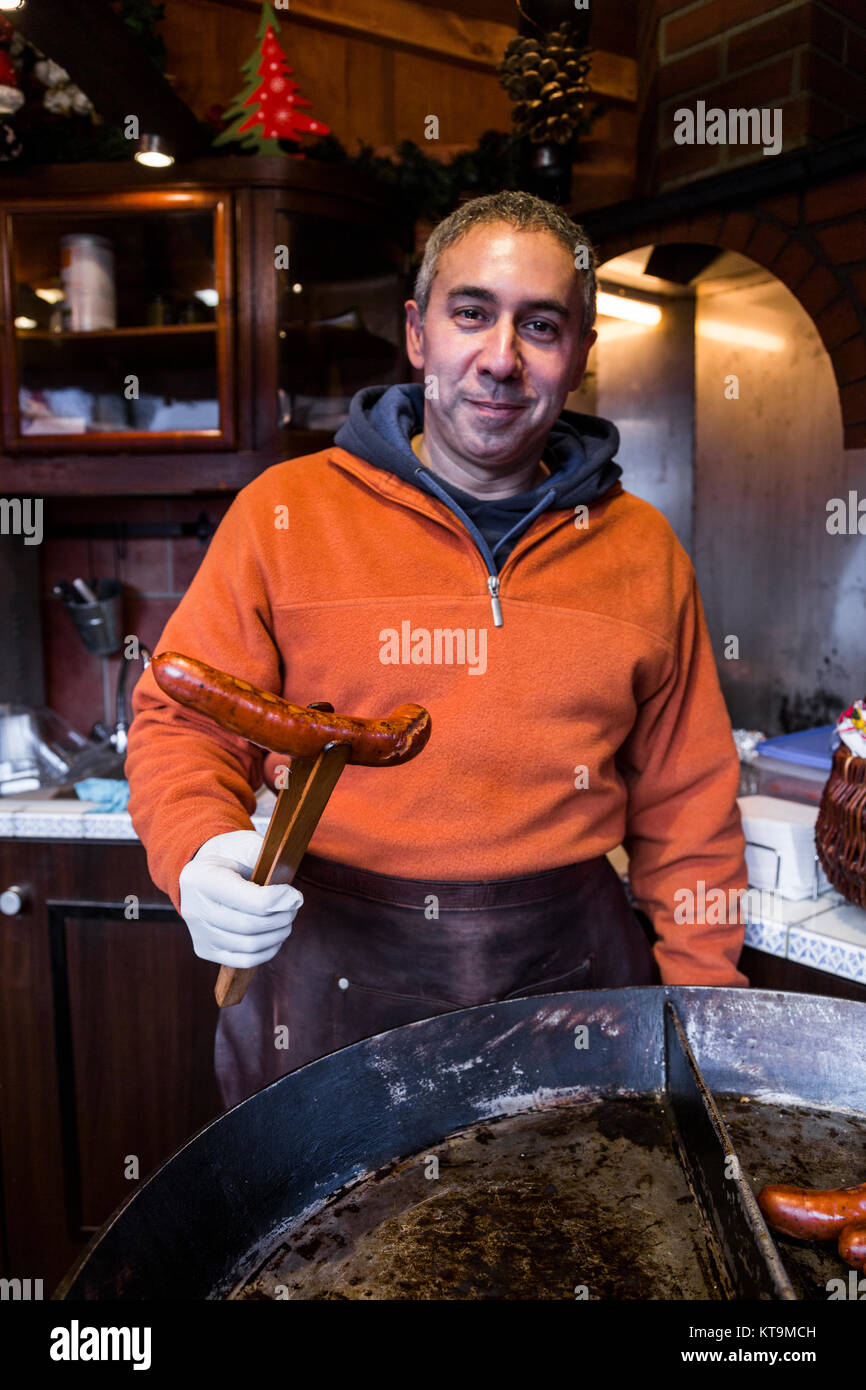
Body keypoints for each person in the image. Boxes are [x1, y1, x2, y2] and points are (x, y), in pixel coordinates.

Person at [126, 190, 749, 1111]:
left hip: (571, 976)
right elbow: (182, 721)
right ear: (418, 334)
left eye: (541, 326)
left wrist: (704, 1014)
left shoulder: (644, 548)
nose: (501, 359)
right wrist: (199, 846)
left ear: (580, 357)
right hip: (329, 978)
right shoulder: (282, 515)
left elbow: (689, 801)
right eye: (472, 313)